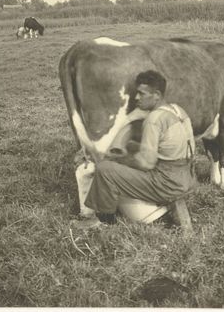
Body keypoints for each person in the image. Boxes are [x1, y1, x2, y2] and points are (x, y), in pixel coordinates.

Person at [74, 70, 197, 229]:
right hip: (188, 178)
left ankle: (103, 220)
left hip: (166, 183)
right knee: (134, 149)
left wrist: (119, 159)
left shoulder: (154, 119)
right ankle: (173, 202)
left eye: (142, 93)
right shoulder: (177, 110)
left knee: (105, 169)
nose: (137, 98)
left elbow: (146, 163)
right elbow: (179, 147)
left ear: (157, 95)